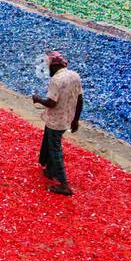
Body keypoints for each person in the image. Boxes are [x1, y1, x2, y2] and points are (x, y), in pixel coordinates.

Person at [31, 50, 83, 196]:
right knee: (48, 142)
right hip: (66, 118)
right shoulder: (74, 76)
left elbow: (51, 103)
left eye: (49, 67)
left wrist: (38, 99)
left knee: (55, 149)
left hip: (56, 121)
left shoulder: (56, 80)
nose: (48, 70)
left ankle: (64, 184)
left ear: (54, 67)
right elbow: (80, 99)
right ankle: (49, 169)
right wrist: (76, 120)